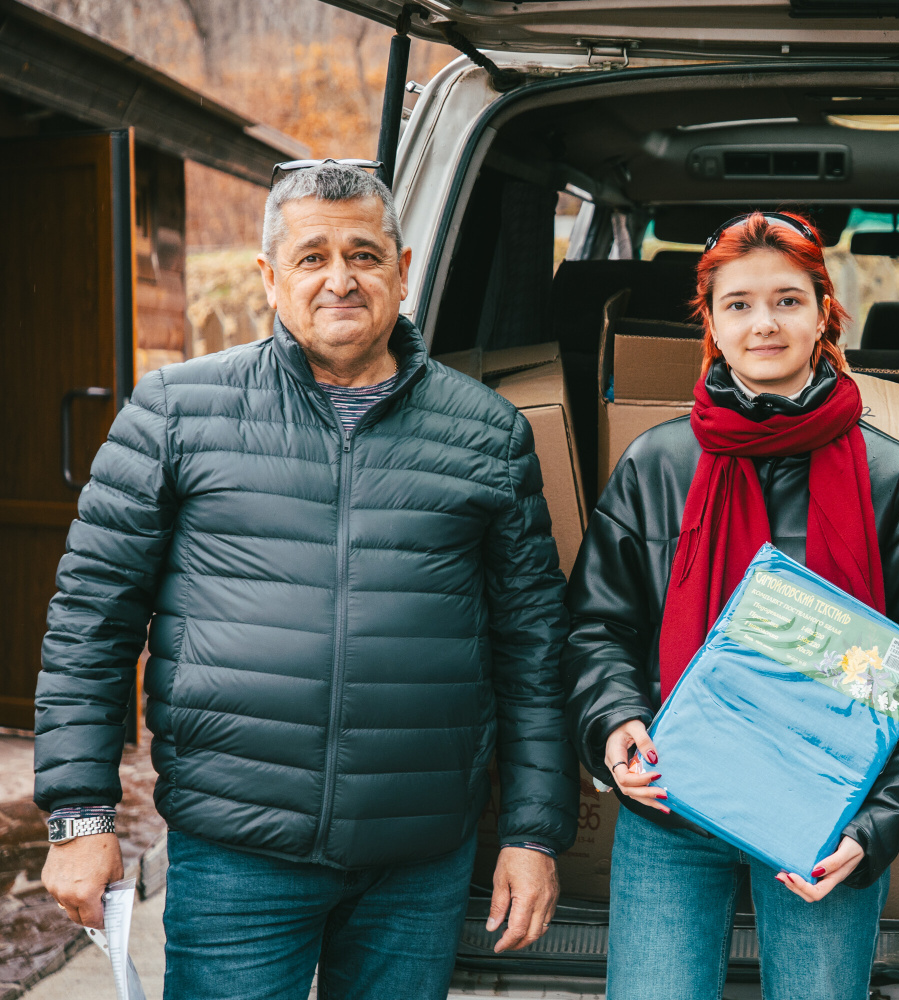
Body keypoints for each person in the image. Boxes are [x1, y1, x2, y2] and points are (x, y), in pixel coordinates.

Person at [34, 161, 577, 1000]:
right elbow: (89, 622)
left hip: (417, 861)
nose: (340, 279)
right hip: (237, 853)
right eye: (312, 256)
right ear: (269, 277)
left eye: (363, 254)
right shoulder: (176, 411)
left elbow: (533, 649)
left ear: (402, 268)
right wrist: (80, 815)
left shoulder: (488, 434)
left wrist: (534, 833)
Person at [561, 211, 899, 999]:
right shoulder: (657, 464)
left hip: (824, 818)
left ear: (824, 310)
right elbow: (596, 628)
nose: (765, 323)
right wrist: (615, 724)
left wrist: (875, 827)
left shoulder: (890, 478)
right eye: (740, 304)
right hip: (670, 805)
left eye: (788, 301)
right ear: (711, 323)